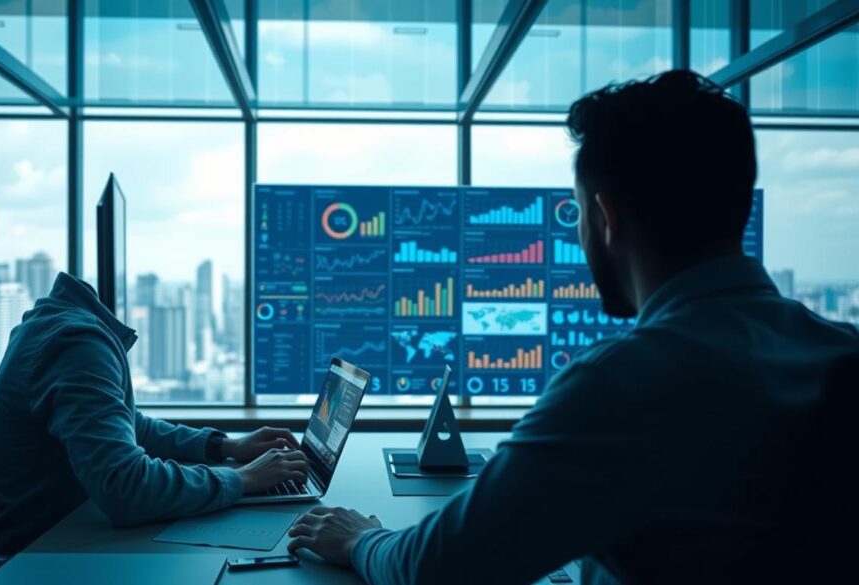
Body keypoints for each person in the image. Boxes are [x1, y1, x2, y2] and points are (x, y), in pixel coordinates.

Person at [286, 71, 859, 584]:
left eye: (580, 213)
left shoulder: (621, 385)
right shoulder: (842, 353)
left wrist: (360, 539)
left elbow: (438, 568)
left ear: (606, 218)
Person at [0, 271, 307, 555]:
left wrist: (225, 447)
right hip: (34, 558)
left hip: (56, 538)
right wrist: (244, 478)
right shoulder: (76, 344)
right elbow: (125, 487)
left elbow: (128, 424)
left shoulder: (55, 324)